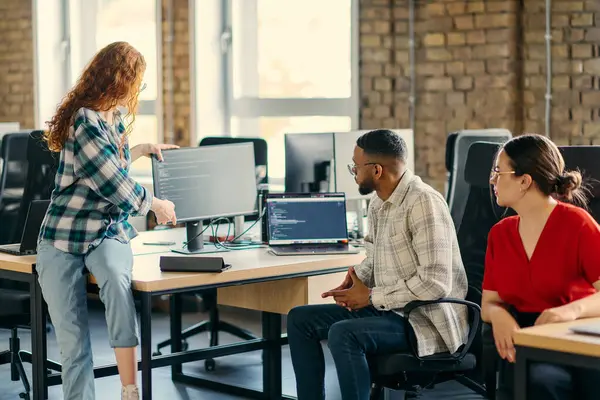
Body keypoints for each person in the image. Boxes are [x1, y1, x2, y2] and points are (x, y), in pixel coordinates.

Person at [36, 42, 178, 400]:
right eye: (138, 83)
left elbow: (112, 165)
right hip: (62, 236)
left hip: (105, 231)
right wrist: (155, 204)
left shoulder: (112, 117)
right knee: (74, 345)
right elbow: (110, 182)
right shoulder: (84, 119)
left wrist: (142, 149)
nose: (137, 92)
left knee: (117, 280)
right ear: (120, 80)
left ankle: (129, 389)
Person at [286, 129, 469, 400]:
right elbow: (374, 257)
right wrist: (356, 280)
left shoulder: (423, 202)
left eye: (355, 167)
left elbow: (435, 283)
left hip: (424, 321)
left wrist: (371, 296)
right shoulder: (378, 203)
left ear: (377, 170)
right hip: (390, 310)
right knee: (299, 319)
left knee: (343, 333)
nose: (354, 173)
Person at [481, 134, 600, 400]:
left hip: (575, 335)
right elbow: (489, 302)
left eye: (499, 172)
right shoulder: (500, 234)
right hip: (525, 341)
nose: (492, 180)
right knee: (540, 381)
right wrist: (497, 314)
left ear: (524, 181)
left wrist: (569, 311)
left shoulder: (577, 224)